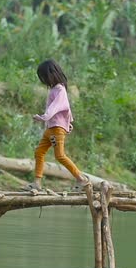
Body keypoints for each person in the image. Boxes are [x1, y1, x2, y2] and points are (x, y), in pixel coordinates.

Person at [23, 59, 90, 192]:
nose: (43, 80)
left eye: (43, 77)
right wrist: (68, 122)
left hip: (56, 129)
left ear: (51, 74)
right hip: (51, 129)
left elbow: (56, 107)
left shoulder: (59, 89)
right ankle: (37, 182)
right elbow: (66, 109)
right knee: (39, 152)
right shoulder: (56, 89)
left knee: (60, 155)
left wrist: (43, 117)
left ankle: (81, 179)